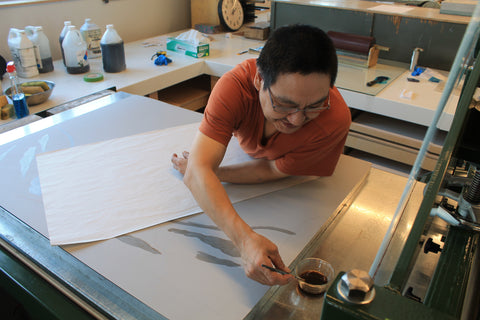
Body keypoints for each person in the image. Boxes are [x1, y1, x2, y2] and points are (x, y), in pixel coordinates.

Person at [171, 24, 351, 286]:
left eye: (313, 106)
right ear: (258, 81)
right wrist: (244, 240)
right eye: (284, 104)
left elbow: (272, 170)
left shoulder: (333, 119)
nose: (297, 119)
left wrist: (213, 171)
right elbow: (196, 172)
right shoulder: (234, 87)